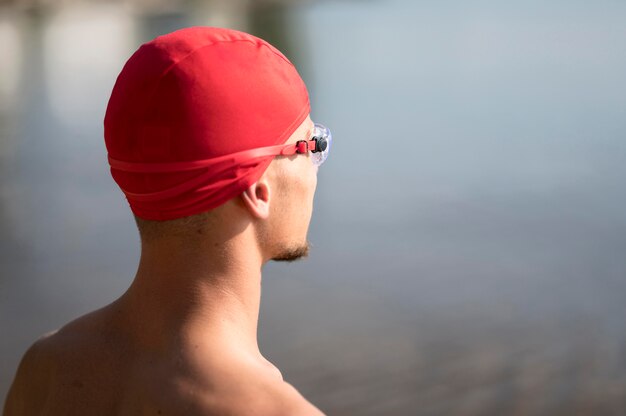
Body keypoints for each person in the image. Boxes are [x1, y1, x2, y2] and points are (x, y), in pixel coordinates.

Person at [3, 26, 330, 415]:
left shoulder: (44, 371)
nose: (314, 169)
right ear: (257, 190)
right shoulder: (275, 411)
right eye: (314, 145)